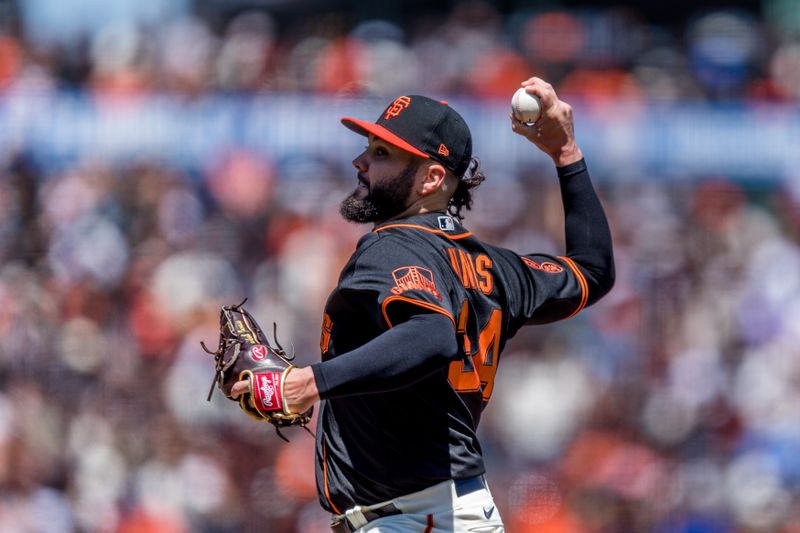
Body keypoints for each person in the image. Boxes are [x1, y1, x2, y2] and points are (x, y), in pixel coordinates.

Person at [233, 77, 614, 532]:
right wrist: (566, 153)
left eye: (381, 154)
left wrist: (308, 383)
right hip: (448, 510)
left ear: (432, 178)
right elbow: (592, 270)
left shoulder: (392, 246)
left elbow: (432, 336)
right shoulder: (496, 267)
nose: (360, 163)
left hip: (415, 518)